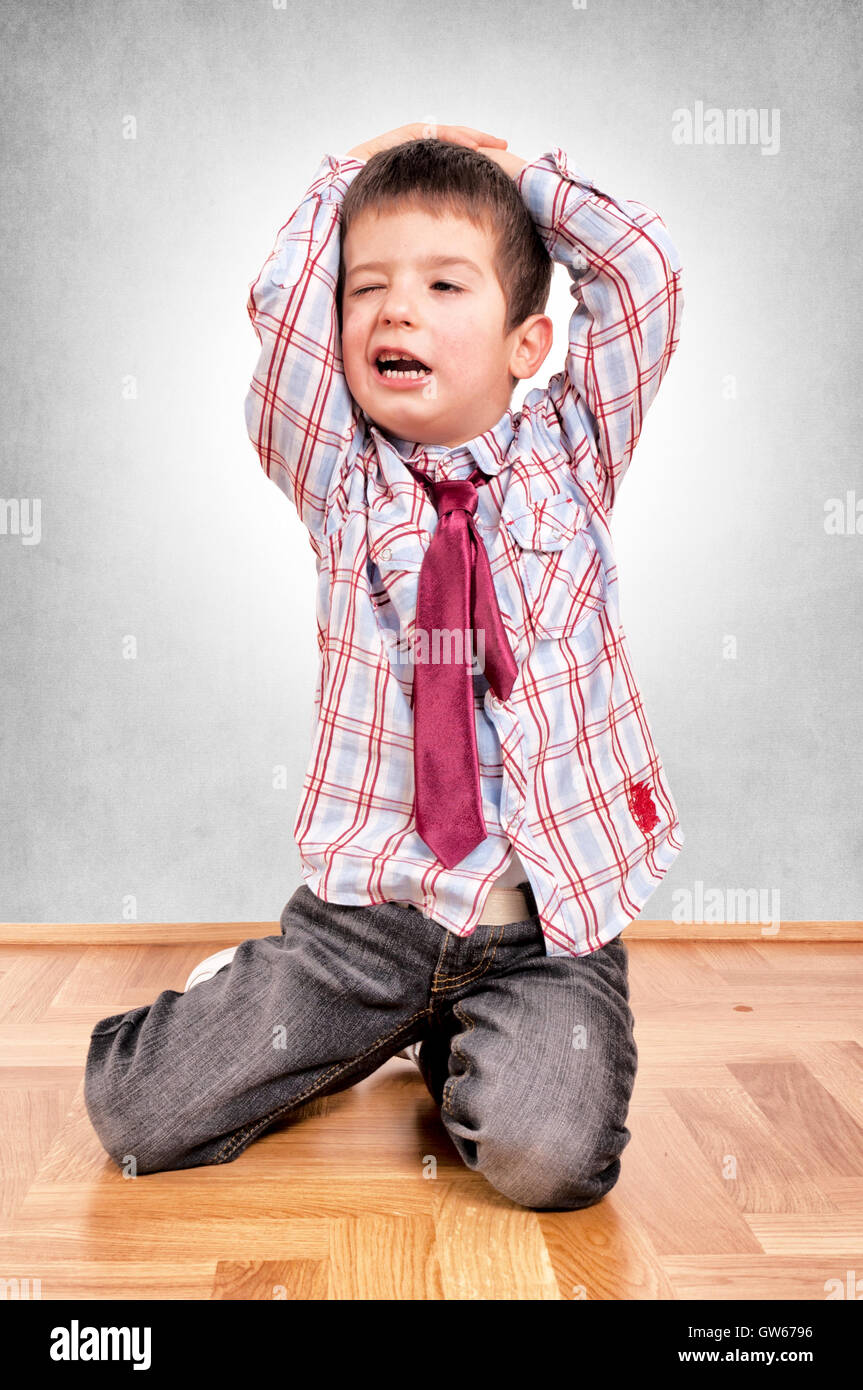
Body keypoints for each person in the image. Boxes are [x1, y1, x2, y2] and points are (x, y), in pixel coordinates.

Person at [84, 123, 685, 1210]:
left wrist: (517, 173)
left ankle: (459, 1040)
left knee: (545, 1161)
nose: (396, 310)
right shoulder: (337, 477)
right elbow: (284, 307)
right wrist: (347, 173)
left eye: (444, 284)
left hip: (544, 930)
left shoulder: (577, 449)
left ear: (527, 341)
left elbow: (641, 270)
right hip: (367, 926)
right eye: (369, 289)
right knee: (134, 1118)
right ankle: (312, 1016)